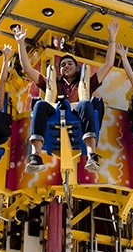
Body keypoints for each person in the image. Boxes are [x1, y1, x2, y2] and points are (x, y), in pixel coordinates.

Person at [15, 21, 119, 173]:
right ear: (60, 70)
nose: (66, 66)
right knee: (39, 105)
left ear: (77, 68)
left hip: (78, 114)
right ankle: (35, 156)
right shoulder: (53, 83)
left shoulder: (86, 83)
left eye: (70, 64)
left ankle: (91, 155)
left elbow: (108, 64)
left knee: (86, 103)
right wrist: (20, 43)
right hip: (56, 114)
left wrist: (112, 38)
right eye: (63, 65)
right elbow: (27, 69)